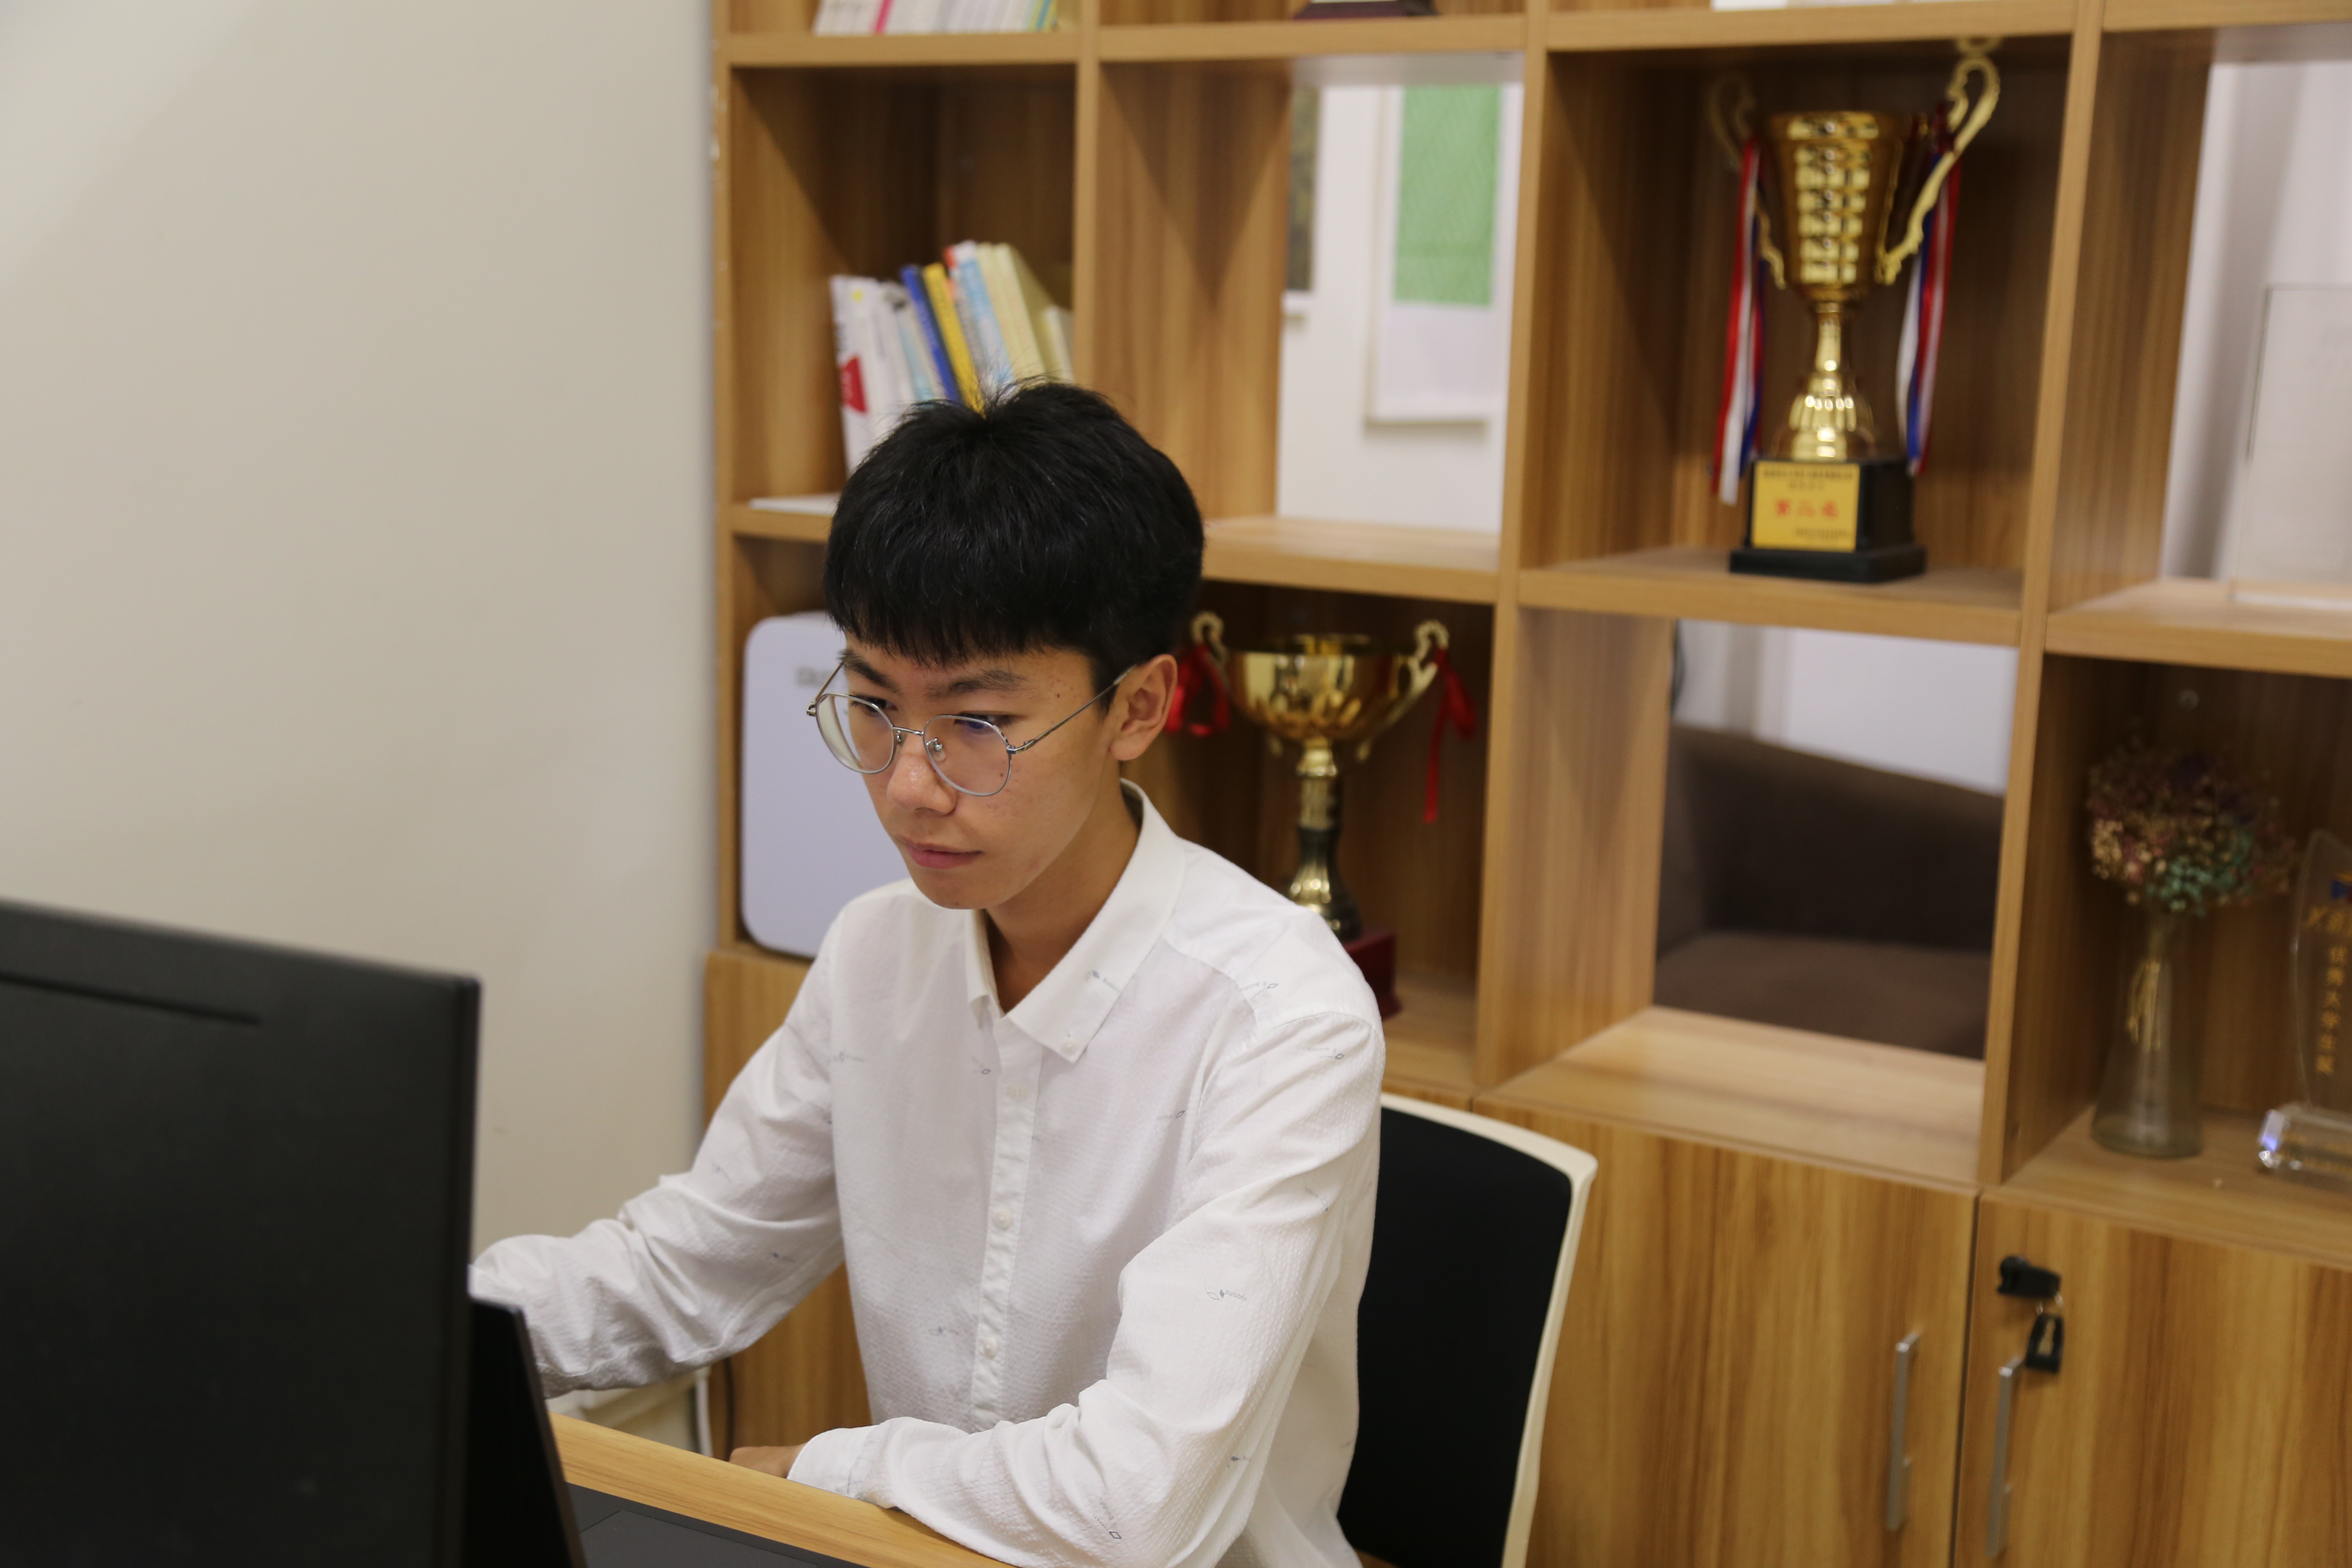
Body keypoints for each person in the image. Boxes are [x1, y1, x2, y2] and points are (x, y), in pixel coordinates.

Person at [471, 383, 1385, 1568]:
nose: (909, 785)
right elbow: (682, 1269)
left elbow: (1139, 1504)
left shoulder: (1278, 1017)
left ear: (1138, 707)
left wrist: (828, 1470)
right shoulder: (876, 954)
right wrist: (409, 1322)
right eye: (873, 706)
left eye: (978, 725)